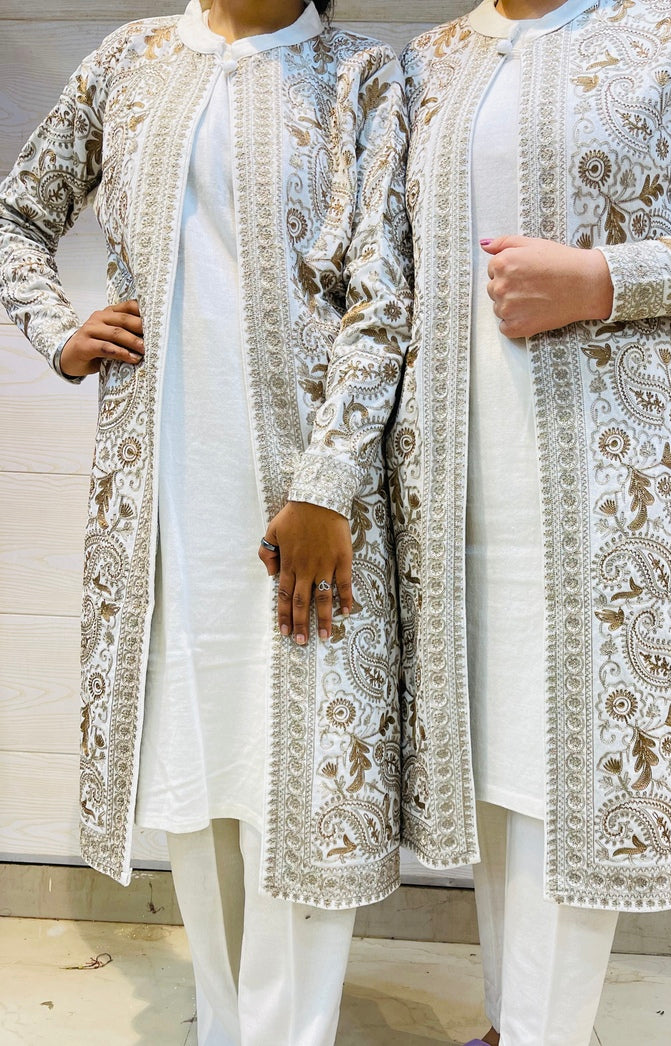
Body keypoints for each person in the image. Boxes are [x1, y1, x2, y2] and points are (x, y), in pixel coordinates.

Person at [387, 0, 671, 1043]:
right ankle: (511, 1025)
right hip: (453, 486)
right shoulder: (429, 58)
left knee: (572, 770)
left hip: (618, 483)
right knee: (500, 765)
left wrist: (602, 279)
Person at [0, 0, 411, 1041]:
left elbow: (384, 298)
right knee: (201, 755)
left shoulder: (358, 73)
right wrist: (57, 329)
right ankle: (226, 1025)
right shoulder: (130, 59)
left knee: (299, 773)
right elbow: (17, 215)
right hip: (163, 489)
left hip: (304, 492)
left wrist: (326, 483)